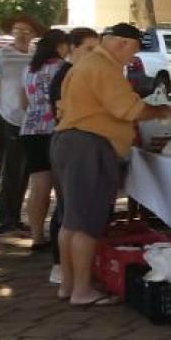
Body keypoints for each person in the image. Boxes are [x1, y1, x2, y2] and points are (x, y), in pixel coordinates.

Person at [52, 23, 171, 306]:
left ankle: (68, 285)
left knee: (70, 220)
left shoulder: (82, 65)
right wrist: (160, 110)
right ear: (120, 44)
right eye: (133, 51)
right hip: (89, 146)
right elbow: (127, 108)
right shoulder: (104, 68)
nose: (133, 58)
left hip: (68, 141)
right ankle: (81, 290)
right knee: (86, 224)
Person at [46, 27, 99, 287]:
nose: (94, 55)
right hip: (72, 145)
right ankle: (62, 268)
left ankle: (68, 277)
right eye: (89, 49)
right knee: (69, 214)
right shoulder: (67, 76)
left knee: (69, 212)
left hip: (70, 144)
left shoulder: (77, 73)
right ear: (72, 48)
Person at [0, 13, 43, 235]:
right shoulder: (0, 56)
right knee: (9, 172)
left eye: (26, 30)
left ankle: (15, 218)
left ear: (33, 34)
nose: (21, 34)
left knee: (24, 172)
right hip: (7, 118)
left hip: (30, 122)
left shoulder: (35, 57)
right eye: (17, 30)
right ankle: (4, 221)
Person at [20, 30, 71, 250]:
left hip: (30, 129)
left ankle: (37, 235)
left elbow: (23, 102)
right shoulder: (64, 69)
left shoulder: (29, 70)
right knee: (61, 185)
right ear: (60, 46)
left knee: (38, 184)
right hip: (56, 129)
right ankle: (61, 233)